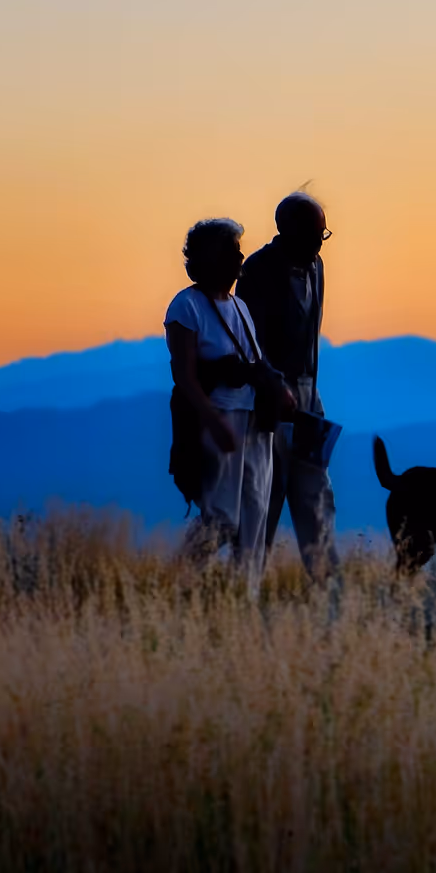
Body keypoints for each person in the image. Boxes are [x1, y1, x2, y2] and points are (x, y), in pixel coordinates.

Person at [166, 218, 295, 593]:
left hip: (255, 419)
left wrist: (279, 389)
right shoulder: (186, 306)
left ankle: (245, 597)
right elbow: (185, 377)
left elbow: (255, 359)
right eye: (231, 250)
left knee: (255, 510)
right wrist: (212, 421)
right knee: (222, 516)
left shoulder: (239, 306)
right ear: (208, 258)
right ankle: (178, 582)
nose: (240, 257)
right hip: (220, 417)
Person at [239, 191, 339, 580]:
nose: (320, 241)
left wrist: (309, 394)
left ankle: (328, 588)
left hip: (310, 397)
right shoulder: (258, 269)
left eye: (323, 234)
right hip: (272, 399)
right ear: (287, 229)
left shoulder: (318, 266)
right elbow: (252, 341)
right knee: (265, 496)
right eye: (314, 233)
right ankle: (248, 585)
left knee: (316, 492)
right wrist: (274, 388)